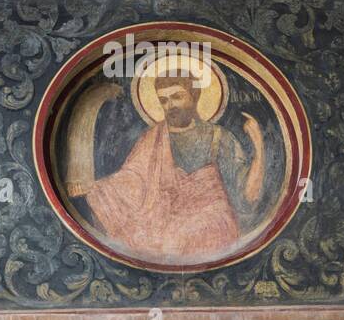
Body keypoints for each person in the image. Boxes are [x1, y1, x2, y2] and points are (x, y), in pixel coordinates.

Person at [71, 72, 264, 264]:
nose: (170, 106)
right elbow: (132, 178)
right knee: (159, 236)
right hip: (166, 220)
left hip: (211, 221)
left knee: (184, 234)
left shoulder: (219, 137)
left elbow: (247, 197)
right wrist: (97, 188)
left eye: (177, 97)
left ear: (194, 96)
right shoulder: (152, 138)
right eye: (163, 100)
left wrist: (258, 146)